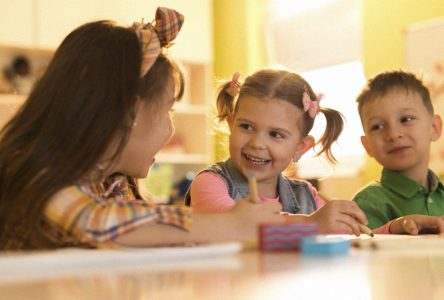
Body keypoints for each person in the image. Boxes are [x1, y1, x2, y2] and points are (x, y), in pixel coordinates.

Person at [0, 7, 285, 250]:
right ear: (130, 112)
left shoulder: (110, 183)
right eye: (168, 110)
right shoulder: (39, 173)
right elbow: (98, 221)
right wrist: (228, 225)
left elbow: (140, 224)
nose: (171, 129)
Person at [186, 69, 368, 235]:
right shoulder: (210, 182)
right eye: (246, 127)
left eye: (275, 134)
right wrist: (311, 224)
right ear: (231, 125)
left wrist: (392, 227)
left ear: (301, 146)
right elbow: (235, 225)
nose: (257, 143)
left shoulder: (306, 195)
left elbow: (362, 236)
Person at [353, 70, 444, 234]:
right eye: (377, 127)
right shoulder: (367, 203)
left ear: (434, 127)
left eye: (406, 119)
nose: (393, 134)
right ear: (367, 146)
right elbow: (366, 254)